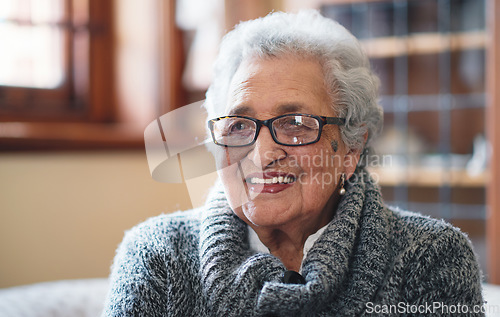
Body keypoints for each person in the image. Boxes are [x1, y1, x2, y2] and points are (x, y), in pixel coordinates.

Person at [102, 10, 484, 316]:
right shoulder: (158, 257)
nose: (263, 154)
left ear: (350, 149)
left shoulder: (432, 258)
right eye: (238, 125)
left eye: (296, 125)